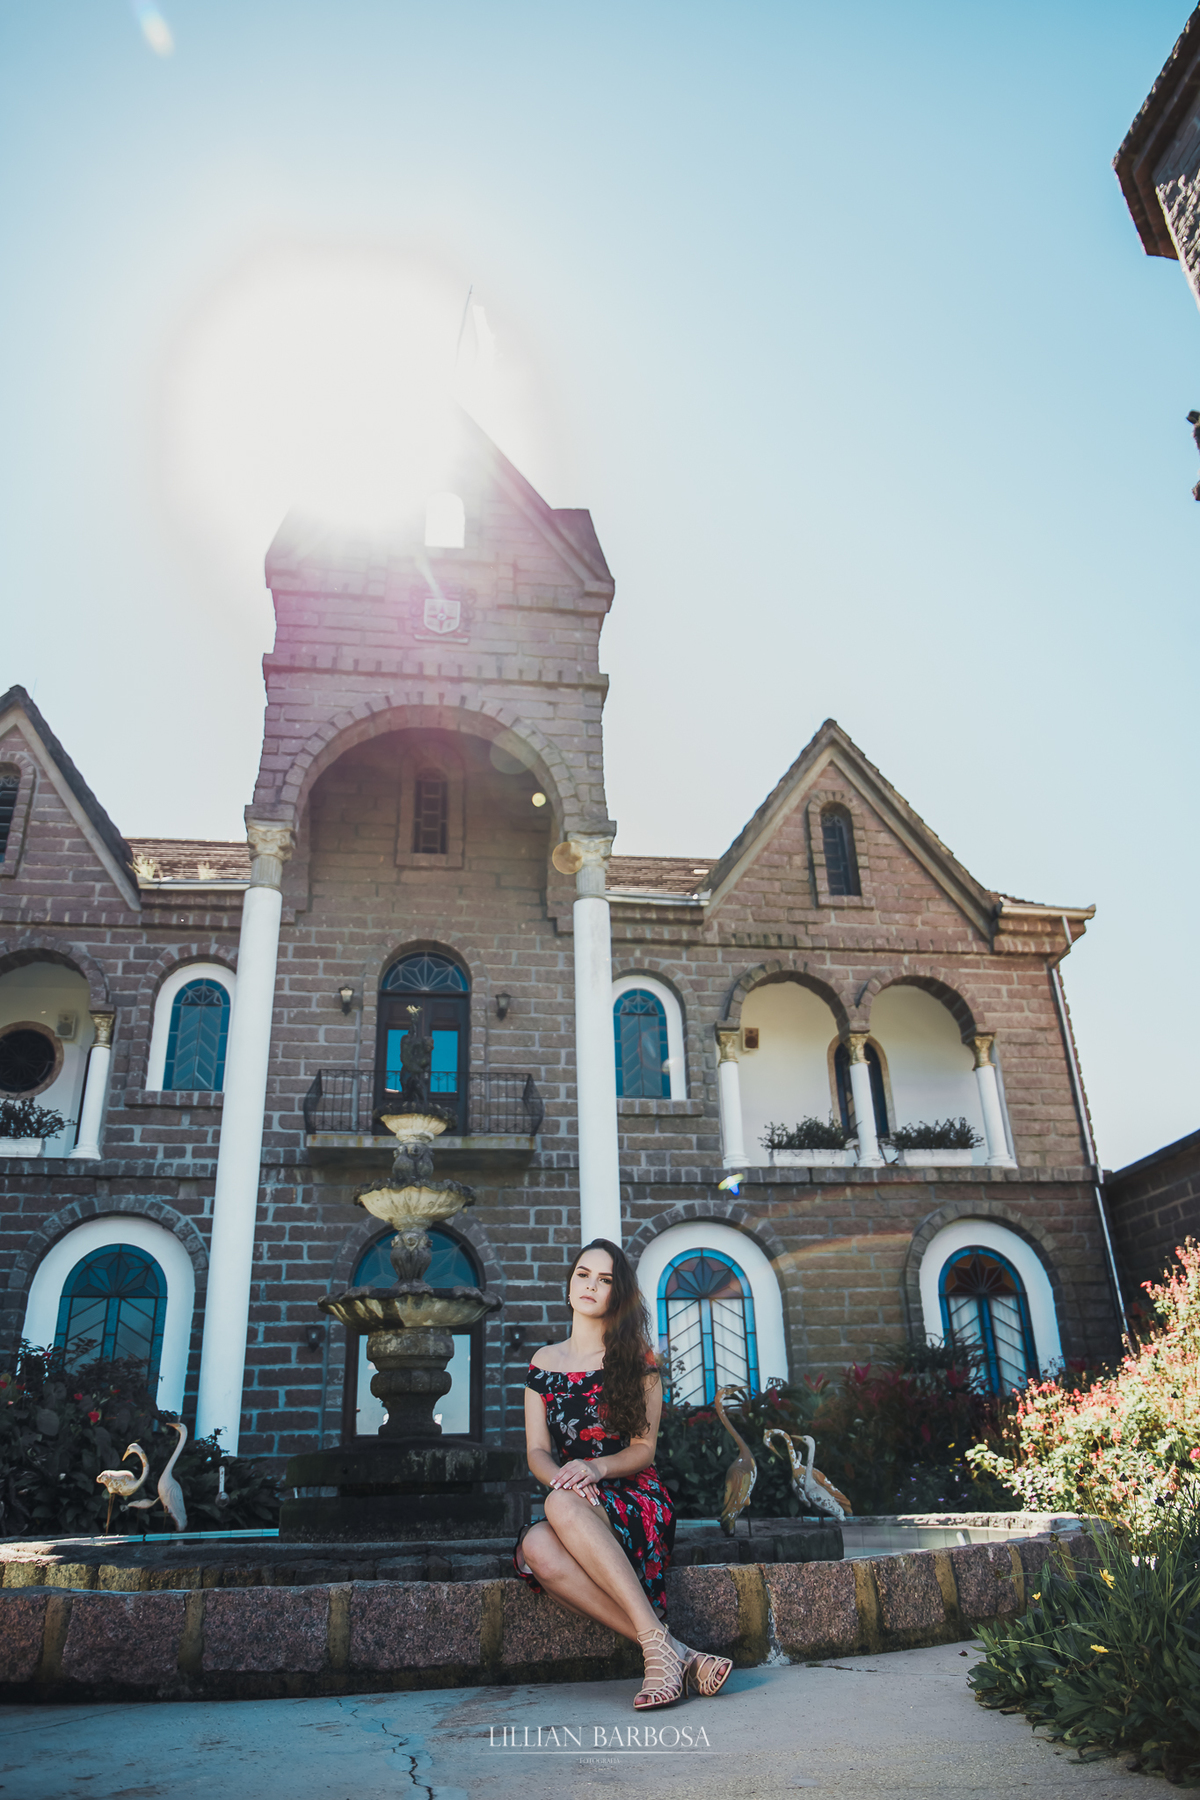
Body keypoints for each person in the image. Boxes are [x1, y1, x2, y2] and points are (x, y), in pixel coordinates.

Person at [513, 1237, 733, 1710]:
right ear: (569, 1286)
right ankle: (675, 1652)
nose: (591, 1285)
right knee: (534, 1546)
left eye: (605, 1279)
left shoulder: (637, 1362)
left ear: (618, 1294)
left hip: (635, 1496)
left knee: (557, 1505)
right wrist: (565, 1480)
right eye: (583, 1275)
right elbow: (536, 1450)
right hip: (576, 1495)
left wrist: (593, 1468)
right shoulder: (541, 1365)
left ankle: (659, 1657)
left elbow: (643, 1451)